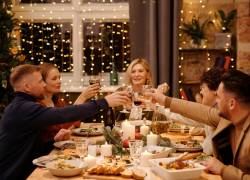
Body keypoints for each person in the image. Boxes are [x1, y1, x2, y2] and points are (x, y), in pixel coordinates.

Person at [0, 64, 130, 180]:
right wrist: (104, 102)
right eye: (40, 82)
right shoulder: (23, 108)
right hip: (15, 174)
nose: (44, 85)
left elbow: (29, 146)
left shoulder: (22, 106)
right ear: (27, 87)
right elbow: (62, 115)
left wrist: (53, 142)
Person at [149, 69, 250, 179]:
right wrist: (165, 100)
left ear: (232, 104)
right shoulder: (228, 118)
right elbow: (201, 111)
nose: (216, 102)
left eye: (219, 97)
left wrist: (222, 169)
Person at [38, 62, 100, 152]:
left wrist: (68, 126)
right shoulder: (38, 106)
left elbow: (74, 121)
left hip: (62, 149)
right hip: (47, 152)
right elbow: (65, 123)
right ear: (42, 82)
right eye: (54, 79)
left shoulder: (58, 101)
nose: (59, 81)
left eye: (59, 78)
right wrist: (82, 97)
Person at [163, 68, 224, 155]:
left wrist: (162, 104)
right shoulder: (211, 109)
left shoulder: (219, 114)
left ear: (216, 91)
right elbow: (186, 116)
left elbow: (209, 150)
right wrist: (160, 108)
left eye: (203, 88)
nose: (201, 91)